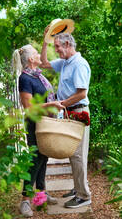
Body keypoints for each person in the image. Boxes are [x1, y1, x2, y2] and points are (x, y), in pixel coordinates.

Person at [40, 32, 91, 208]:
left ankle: (84, 196)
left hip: (78, 111)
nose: (57, 50)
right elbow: (44, 64)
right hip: (69, 111)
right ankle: (77, 189)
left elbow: (82, 93)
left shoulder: (79, 64)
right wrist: (45, 43)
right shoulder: (65, 62)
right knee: (72, 152)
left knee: (78, 155)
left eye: (57, 47)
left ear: (68, 44)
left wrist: (60, 104)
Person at [12, 44, 64, 217]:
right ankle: (25, 201)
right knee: (36, 159)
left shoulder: (38, 76)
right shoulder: (25, 78)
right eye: (36, 53)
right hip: (35, 123)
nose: (39, 55)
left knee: (44, 155)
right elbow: (28, 107)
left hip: (46, 122)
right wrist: (50, 104)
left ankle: (41, 193)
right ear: (30, 59)